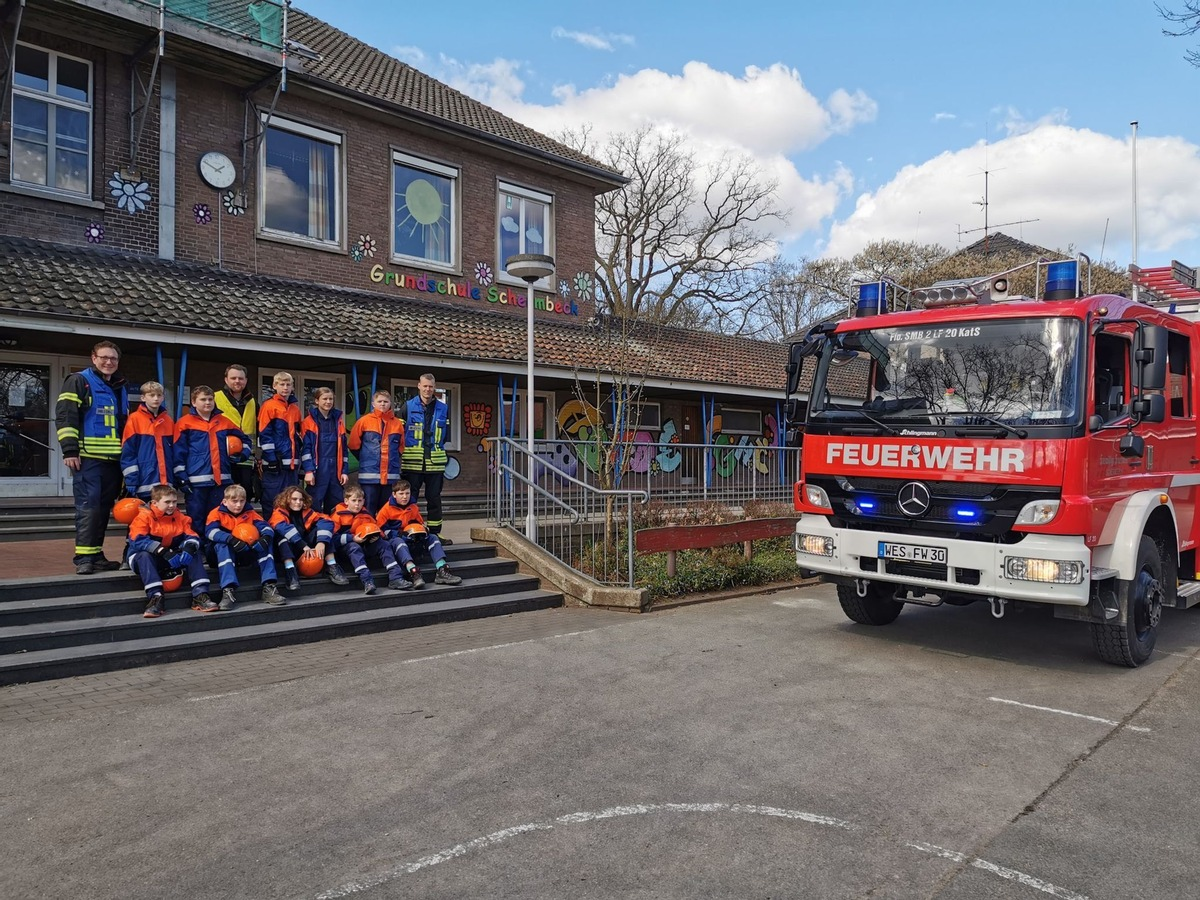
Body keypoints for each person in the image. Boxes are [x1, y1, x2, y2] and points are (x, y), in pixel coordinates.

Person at [57, 340, 129, 574]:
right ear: (94, 358)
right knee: (89, 508)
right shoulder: (79, 381)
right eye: (104, 357)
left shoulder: (119, 386)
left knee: (103, 508)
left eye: (113, 358)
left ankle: (96, 554)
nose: (109, 362)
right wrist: (70, 450)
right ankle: (84, 558)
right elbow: (66, 416)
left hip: (113, 460)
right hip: (88, 458)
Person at [127, 484, 215, 617]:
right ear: (154, 503)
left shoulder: (180, 517)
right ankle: (155, 598)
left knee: (194, 552)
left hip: (170, 557)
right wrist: (162, 551)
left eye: (174, 502)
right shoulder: (143, 517)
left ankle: (200, 595)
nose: (172, 505)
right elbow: (137, 540)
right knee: (144, 555)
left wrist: (189, 547)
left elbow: (192, 536)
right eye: (167, 502)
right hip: (143, 560)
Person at [173, 385, 250, 529]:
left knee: (218, 519)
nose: (208, 402)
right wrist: (181, 477)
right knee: (196, 519)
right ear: (194, 402)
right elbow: (178, 452)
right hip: (196, 482)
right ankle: (197, 543)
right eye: (203, 399)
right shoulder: (184, 423)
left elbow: (245, 440)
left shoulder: (224, 421)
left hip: (221, 481)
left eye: (210, 399)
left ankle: (214, 543)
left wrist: (243, 455)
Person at [204, 484, 284, 609]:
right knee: (222, 545)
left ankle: (269, 586)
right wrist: (231, 539)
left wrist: (265, 537)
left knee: (266, 543)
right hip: (219, 556)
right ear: (225, 501)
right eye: (234, 501)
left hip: (244, 552)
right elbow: (210, 532)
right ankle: (228, 590)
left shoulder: (250, 513)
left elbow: (266, 527)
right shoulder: (216, 513)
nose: (238, 505)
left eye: (242, 501)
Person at [376, 479, 462, 587]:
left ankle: (442, 570)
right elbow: (380, 530)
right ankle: (414, 573)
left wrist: (424, 530)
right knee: (398, 541)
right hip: (397, 543)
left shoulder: (413, 507)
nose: (405, 497)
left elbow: (420, 523)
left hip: (413, 540)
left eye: (407, 493)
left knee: (433, 538)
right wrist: (399, 534)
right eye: (401, 494)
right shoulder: (386, 510)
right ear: (394, 494)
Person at [331, 484, 411, 594]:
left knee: (384, 544)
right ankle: (367, 581)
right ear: (346, 501)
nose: (357, 504)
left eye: (360, 501)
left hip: (365, 545)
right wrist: (352, 538)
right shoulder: (338, 515)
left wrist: (377, 536)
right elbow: (332, 539)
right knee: (354, 547)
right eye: (354, 500)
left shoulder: (366, 515)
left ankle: (395, 578)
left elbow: (377, 529)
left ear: (364, 501)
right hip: (345, 550)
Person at [400, 373, 452, 543]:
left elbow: (445, 435)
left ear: (434, 387)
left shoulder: (443, 408)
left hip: (435, 463)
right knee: (410, 499)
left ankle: (435, 533)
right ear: (419, 386)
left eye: (431, 386)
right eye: (425, 386)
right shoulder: (407, 407)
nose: (428, 389)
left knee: (434, 499)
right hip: (412, 463)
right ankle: (410, 530)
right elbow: (399, 434)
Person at [268, 484, 347, 592]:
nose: (298, 502)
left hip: (307, 550)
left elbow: (326, 521)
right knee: (282, 537)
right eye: (294, 499)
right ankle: (290, 572)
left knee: (325, 534)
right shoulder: (279, 513)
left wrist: (321, 542)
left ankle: (332, 566)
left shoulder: (308, 512)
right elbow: (281, 527)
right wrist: (303, 545)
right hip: (289, 551)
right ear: (286, 500)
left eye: (301, 499)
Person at [348, 389, 404, 515]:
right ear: (373, 404)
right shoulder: (364, 421)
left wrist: (392, 460)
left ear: (390, 403)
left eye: (386, 401)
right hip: (369, 476)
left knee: (387, 511)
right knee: (368, 510)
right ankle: (369, 528)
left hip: (390, 477)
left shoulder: (397, 424)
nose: (383, 404)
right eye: (379, 401)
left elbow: (401, 447)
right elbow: (353, 445)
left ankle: (385, 529)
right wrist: (366, 459)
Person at [120, 381, 174, 501]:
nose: (156, 398)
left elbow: (173, 453)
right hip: (144, 481)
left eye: (159, 395)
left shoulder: (168, 421)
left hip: (165, 482)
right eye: (152, 395)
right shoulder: (134, 419)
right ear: (143, 398)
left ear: (163, 397)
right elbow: (128, 452)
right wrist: (131, 479)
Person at [215, 363, 259, 506]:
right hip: (222, 454)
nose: (237, 381)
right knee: (224, 494)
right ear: (226, 380)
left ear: (246, 380)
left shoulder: (252, 401)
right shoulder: (215, 398)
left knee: (244, 494)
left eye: (240, 378)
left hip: (246, 456)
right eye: (233, 378)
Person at [301, 387, 349, 514]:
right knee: (313, 503)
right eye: (325, 399)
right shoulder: (308, 422)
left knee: (336, 506)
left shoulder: (338, 421)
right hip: (318, 470)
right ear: (317, 401)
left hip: (335, 471)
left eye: (331, 399)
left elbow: (344, 450)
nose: (328, 402)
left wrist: (344, 471)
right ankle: (314, 527)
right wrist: (309, 471)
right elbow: (306, 450)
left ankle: (334, 527)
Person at [258, 371, 302, 510]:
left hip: (291, 465)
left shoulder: (295, 409)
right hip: (275, 464)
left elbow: (298, 436)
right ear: (274, 386)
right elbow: (264, 434)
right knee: (272, 500)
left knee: (291, 502)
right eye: (282, 384)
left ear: (292, 387)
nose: (285, 388)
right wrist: (271, 459)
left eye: (288, 384)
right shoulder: (268, 406)